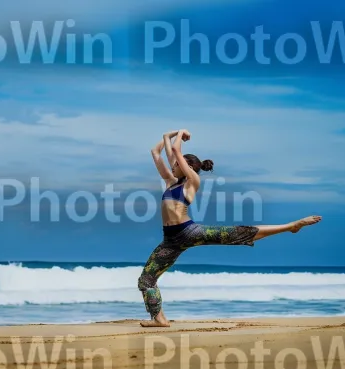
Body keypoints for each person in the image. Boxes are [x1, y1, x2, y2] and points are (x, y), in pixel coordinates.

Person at [138, 129, 322, 327]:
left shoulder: (192, 183)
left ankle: (290, 226)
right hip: (170, 241)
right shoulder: (170, 182)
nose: (172, 166)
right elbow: (156, 152)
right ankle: (159, 319)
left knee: (237, 233)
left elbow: (174, 150)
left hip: (188, 231)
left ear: (188, 166)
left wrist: (180, 134)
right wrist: (169, 135)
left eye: (176, 164)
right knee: (146, 280)